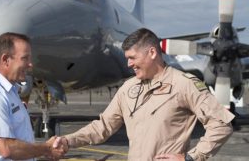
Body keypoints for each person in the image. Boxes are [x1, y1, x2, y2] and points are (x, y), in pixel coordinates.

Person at [56, 28, 235, 161]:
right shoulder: (128, 89)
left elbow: (221, 124)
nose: (128, 64)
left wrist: (191, 157)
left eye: (132, 58)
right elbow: (102, 127)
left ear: (152, 52)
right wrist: (68, 140)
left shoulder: (184, 84)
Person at [0, 32, 68, 161]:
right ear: (6, 60)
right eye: (25, 58)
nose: (30, 64)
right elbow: (6, 149)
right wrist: (47, 148)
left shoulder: (10, 91)